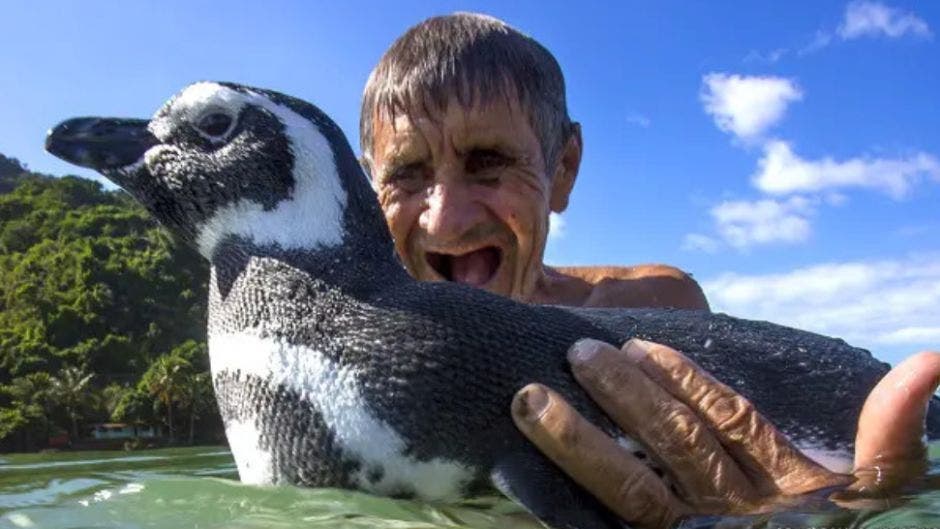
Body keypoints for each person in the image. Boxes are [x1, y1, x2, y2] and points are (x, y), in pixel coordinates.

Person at [358, 12, 940, 528]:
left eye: (488, 162)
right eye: (407, 173)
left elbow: (751, 473)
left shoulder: (658, 305)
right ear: (366, 187)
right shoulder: (351, 355)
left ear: (563, 170)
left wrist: (843, 508)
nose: (446, 218)